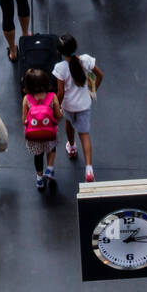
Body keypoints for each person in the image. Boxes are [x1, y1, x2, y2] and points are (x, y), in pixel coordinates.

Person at [54, 34, 102, 183]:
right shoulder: (86, 60)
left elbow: (60, 92)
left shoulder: (60, 68)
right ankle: (89, 170)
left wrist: (57, 108)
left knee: (69, 125)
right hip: (84, 105)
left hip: (69, 106)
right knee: (85, 135)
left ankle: (72, 148)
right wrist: (92, 91)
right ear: (76, 45)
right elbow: (99, 75)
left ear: (60, 52)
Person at [22, 67, 62, 191]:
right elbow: (58, 116)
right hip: (50, 133)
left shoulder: (27, 99)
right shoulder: (52, 96)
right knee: (51, 149)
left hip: (34, 137)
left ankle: (39, 179)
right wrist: (60, 113)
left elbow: (24, 120)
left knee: (38, 156)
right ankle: (49, 168)